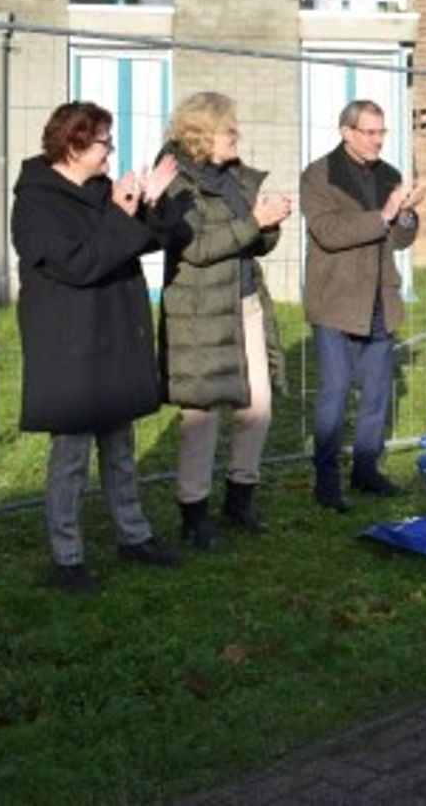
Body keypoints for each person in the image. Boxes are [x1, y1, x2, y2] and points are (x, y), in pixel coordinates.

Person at [12, 101, 184, 593]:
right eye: (105, 142)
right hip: (70, 346)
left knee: (120, 447)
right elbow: (79, 263)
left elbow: (147, 239)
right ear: (74, 145)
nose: (112, 152)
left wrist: (150, 203)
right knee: (70, 457)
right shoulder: (36, 202)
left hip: (112, 336)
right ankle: (66, 558)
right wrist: (123, 214)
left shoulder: (99, 190)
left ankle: (134, 536)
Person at [156, 92, 291, 550]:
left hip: (246, 302)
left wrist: (269, 222)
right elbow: (196, 248)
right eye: (229, 130)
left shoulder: (233, 178)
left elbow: (250, 243)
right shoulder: (174, 179)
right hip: (199, 313)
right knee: (202, 415)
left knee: (258, 407)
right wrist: (255, 221)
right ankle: (193, 513)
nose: (238, 137)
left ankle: (240, 498)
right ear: (201, 135)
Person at [300, 100, 426, 511]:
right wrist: (385, 213)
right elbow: (328, 231)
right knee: (335, 392)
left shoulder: (389, 174)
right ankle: (327, 480)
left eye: (381, 132)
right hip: (335, 299)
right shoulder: (318, 175)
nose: (377, 140)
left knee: (376, 392)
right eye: (369, 132)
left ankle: (366, 470)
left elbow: (397, 239)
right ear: (346, 131)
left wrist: (406, 217)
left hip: (379, 299)